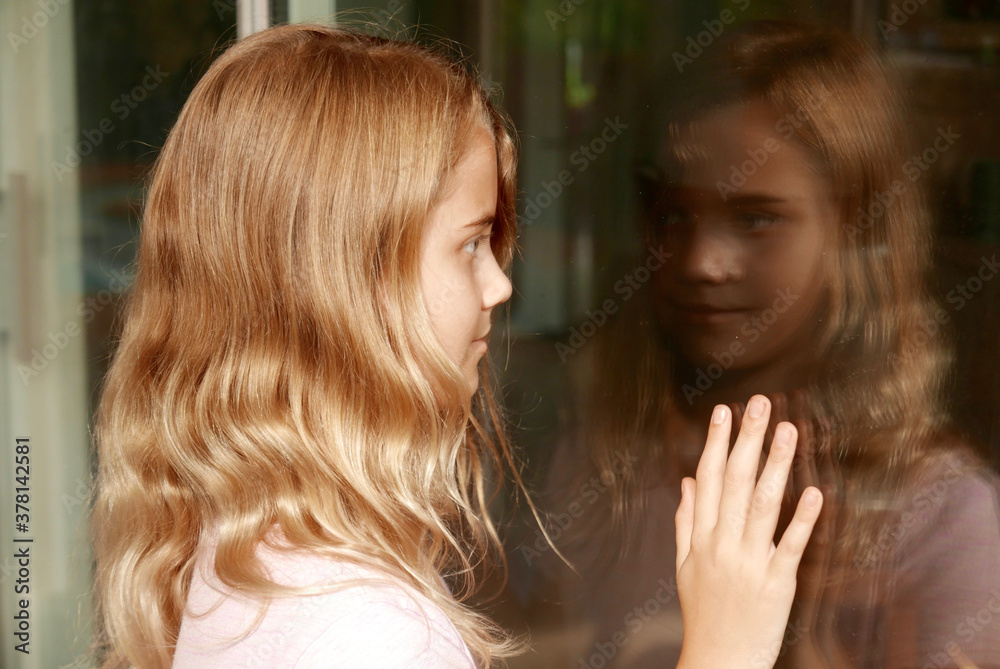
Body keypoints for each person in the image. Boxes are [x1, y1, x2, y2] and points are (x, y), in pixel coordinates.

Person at [88, 23, 822, 669]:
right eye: (471, 244)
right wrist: (725, 647)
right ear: (352, 286)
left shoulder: (249, 550)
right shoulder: (373, 636)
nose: (499, 285)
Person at [531, 19, 1000, 668]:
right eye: (676, 214)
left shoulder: (944, 519)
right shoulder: (603, 464)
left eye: (755, 218)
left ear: (854, 231)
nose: (702, 261)